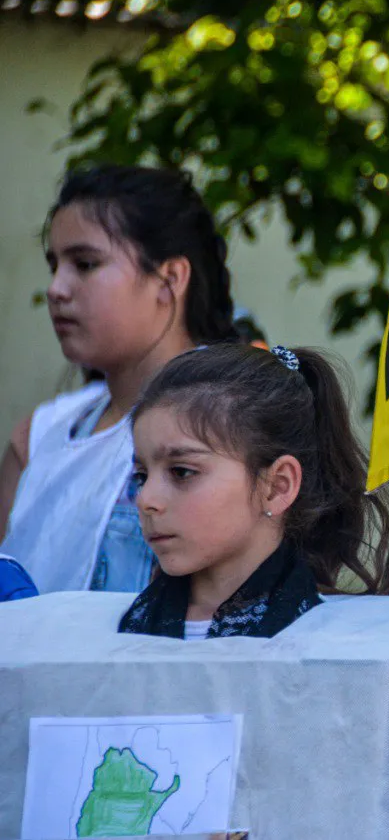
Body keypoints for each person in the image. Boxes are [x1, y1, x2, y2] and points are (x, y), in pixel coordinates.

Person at [0, 165, 236, 593]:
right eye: (54, 266)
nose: (56, 289)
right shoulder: (40, 436)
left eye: (85, 264)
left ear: (170, 278)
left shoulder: (238, 420)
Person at [118, 344, 389, 639]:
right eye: (141, 476)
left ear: (277, 487)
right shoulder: (95, 627)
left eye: (182, 472)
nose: (145, 500)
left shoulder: (341, 643)